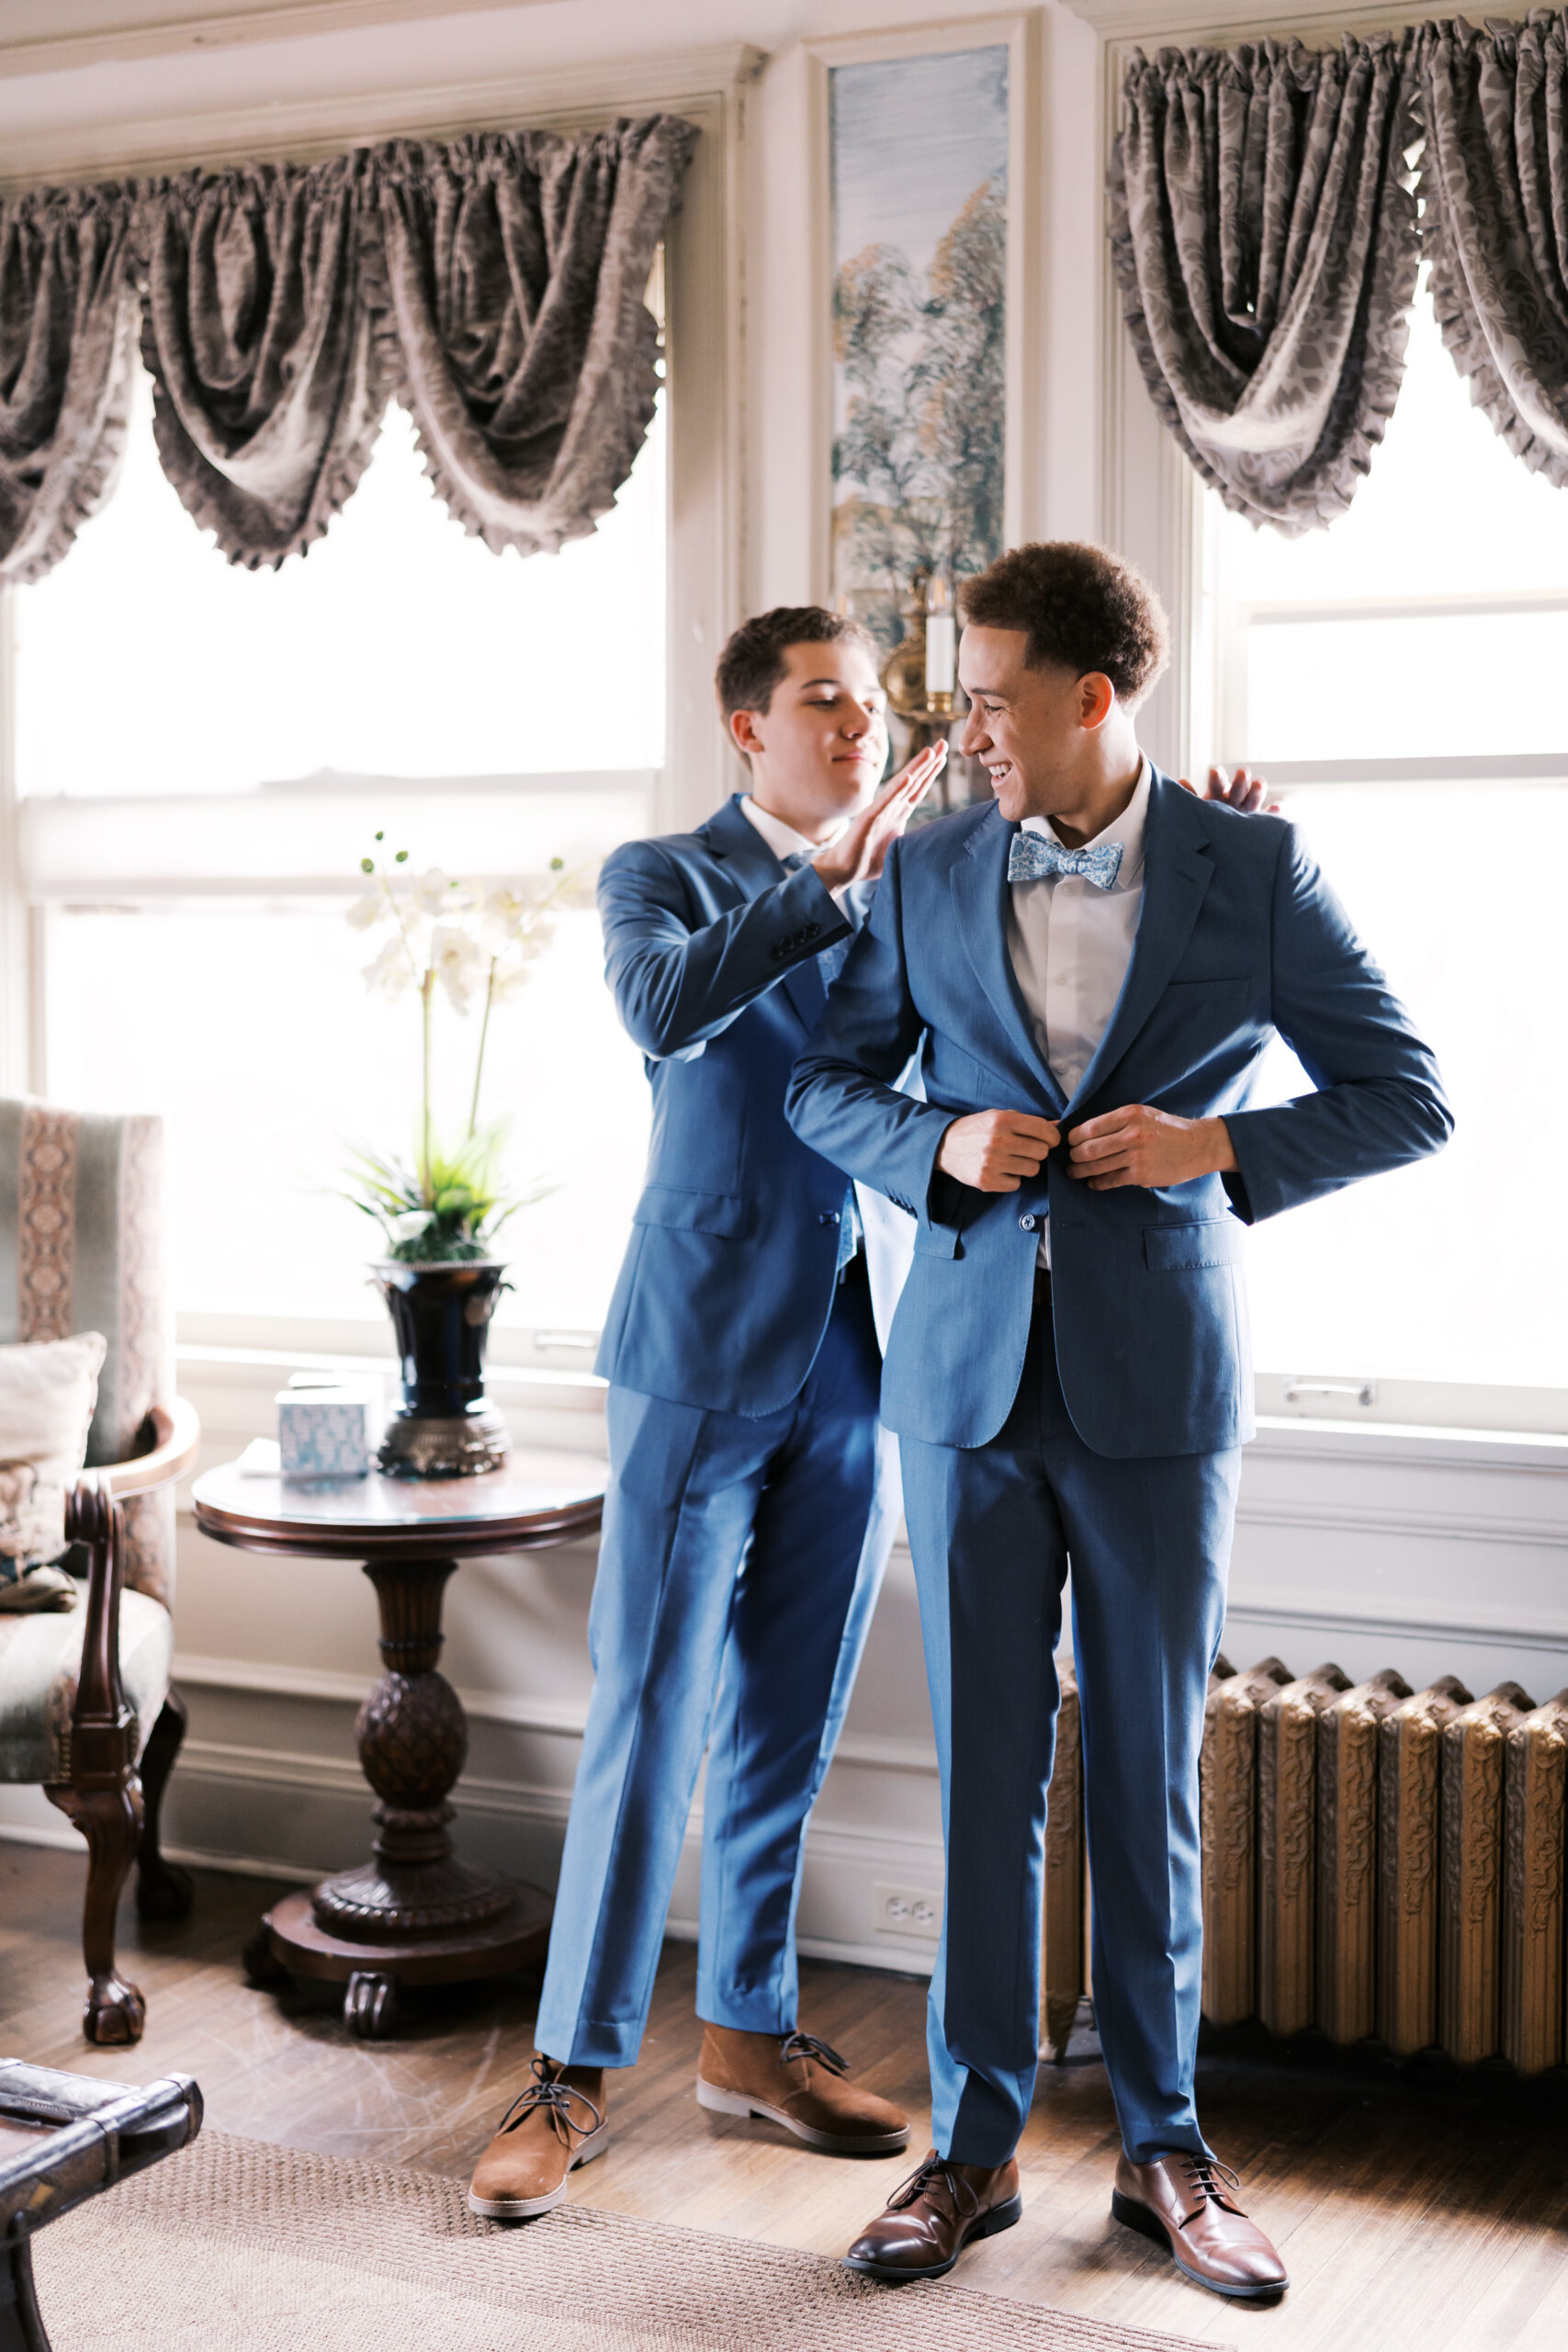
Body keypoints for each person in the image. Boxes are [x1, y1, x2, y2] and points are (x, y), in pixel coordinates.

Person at [784, 543, 1450, 2300]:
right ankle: (974, 2150)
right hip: (968, 1391)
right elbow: (822, 1084)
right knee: (984, 1785)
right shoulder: (926, 871)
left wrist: (1214, 1146)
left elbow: (1406, 1093)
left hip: (1160, 1388)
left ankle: (1166, 2154)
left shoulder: (1251, 863)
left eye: (993, 696)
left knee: (1150, 1780)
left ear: (1093, 698)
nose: (965, 726)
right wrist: (934, 1146)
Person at [467, 607, 936, 2220]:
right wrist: (820, 889)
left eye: (871, 706)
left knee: (784, 1728)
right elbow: (664, 1013)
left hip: (860, 1360)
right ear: (749, 726)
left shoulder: (902, 883)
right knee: (646, 1719)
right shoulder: (659, 875)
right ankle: (571, 2073)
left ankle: (748, 2035)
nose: (858, 729)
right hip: (694, 1354)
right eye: (827, 702)